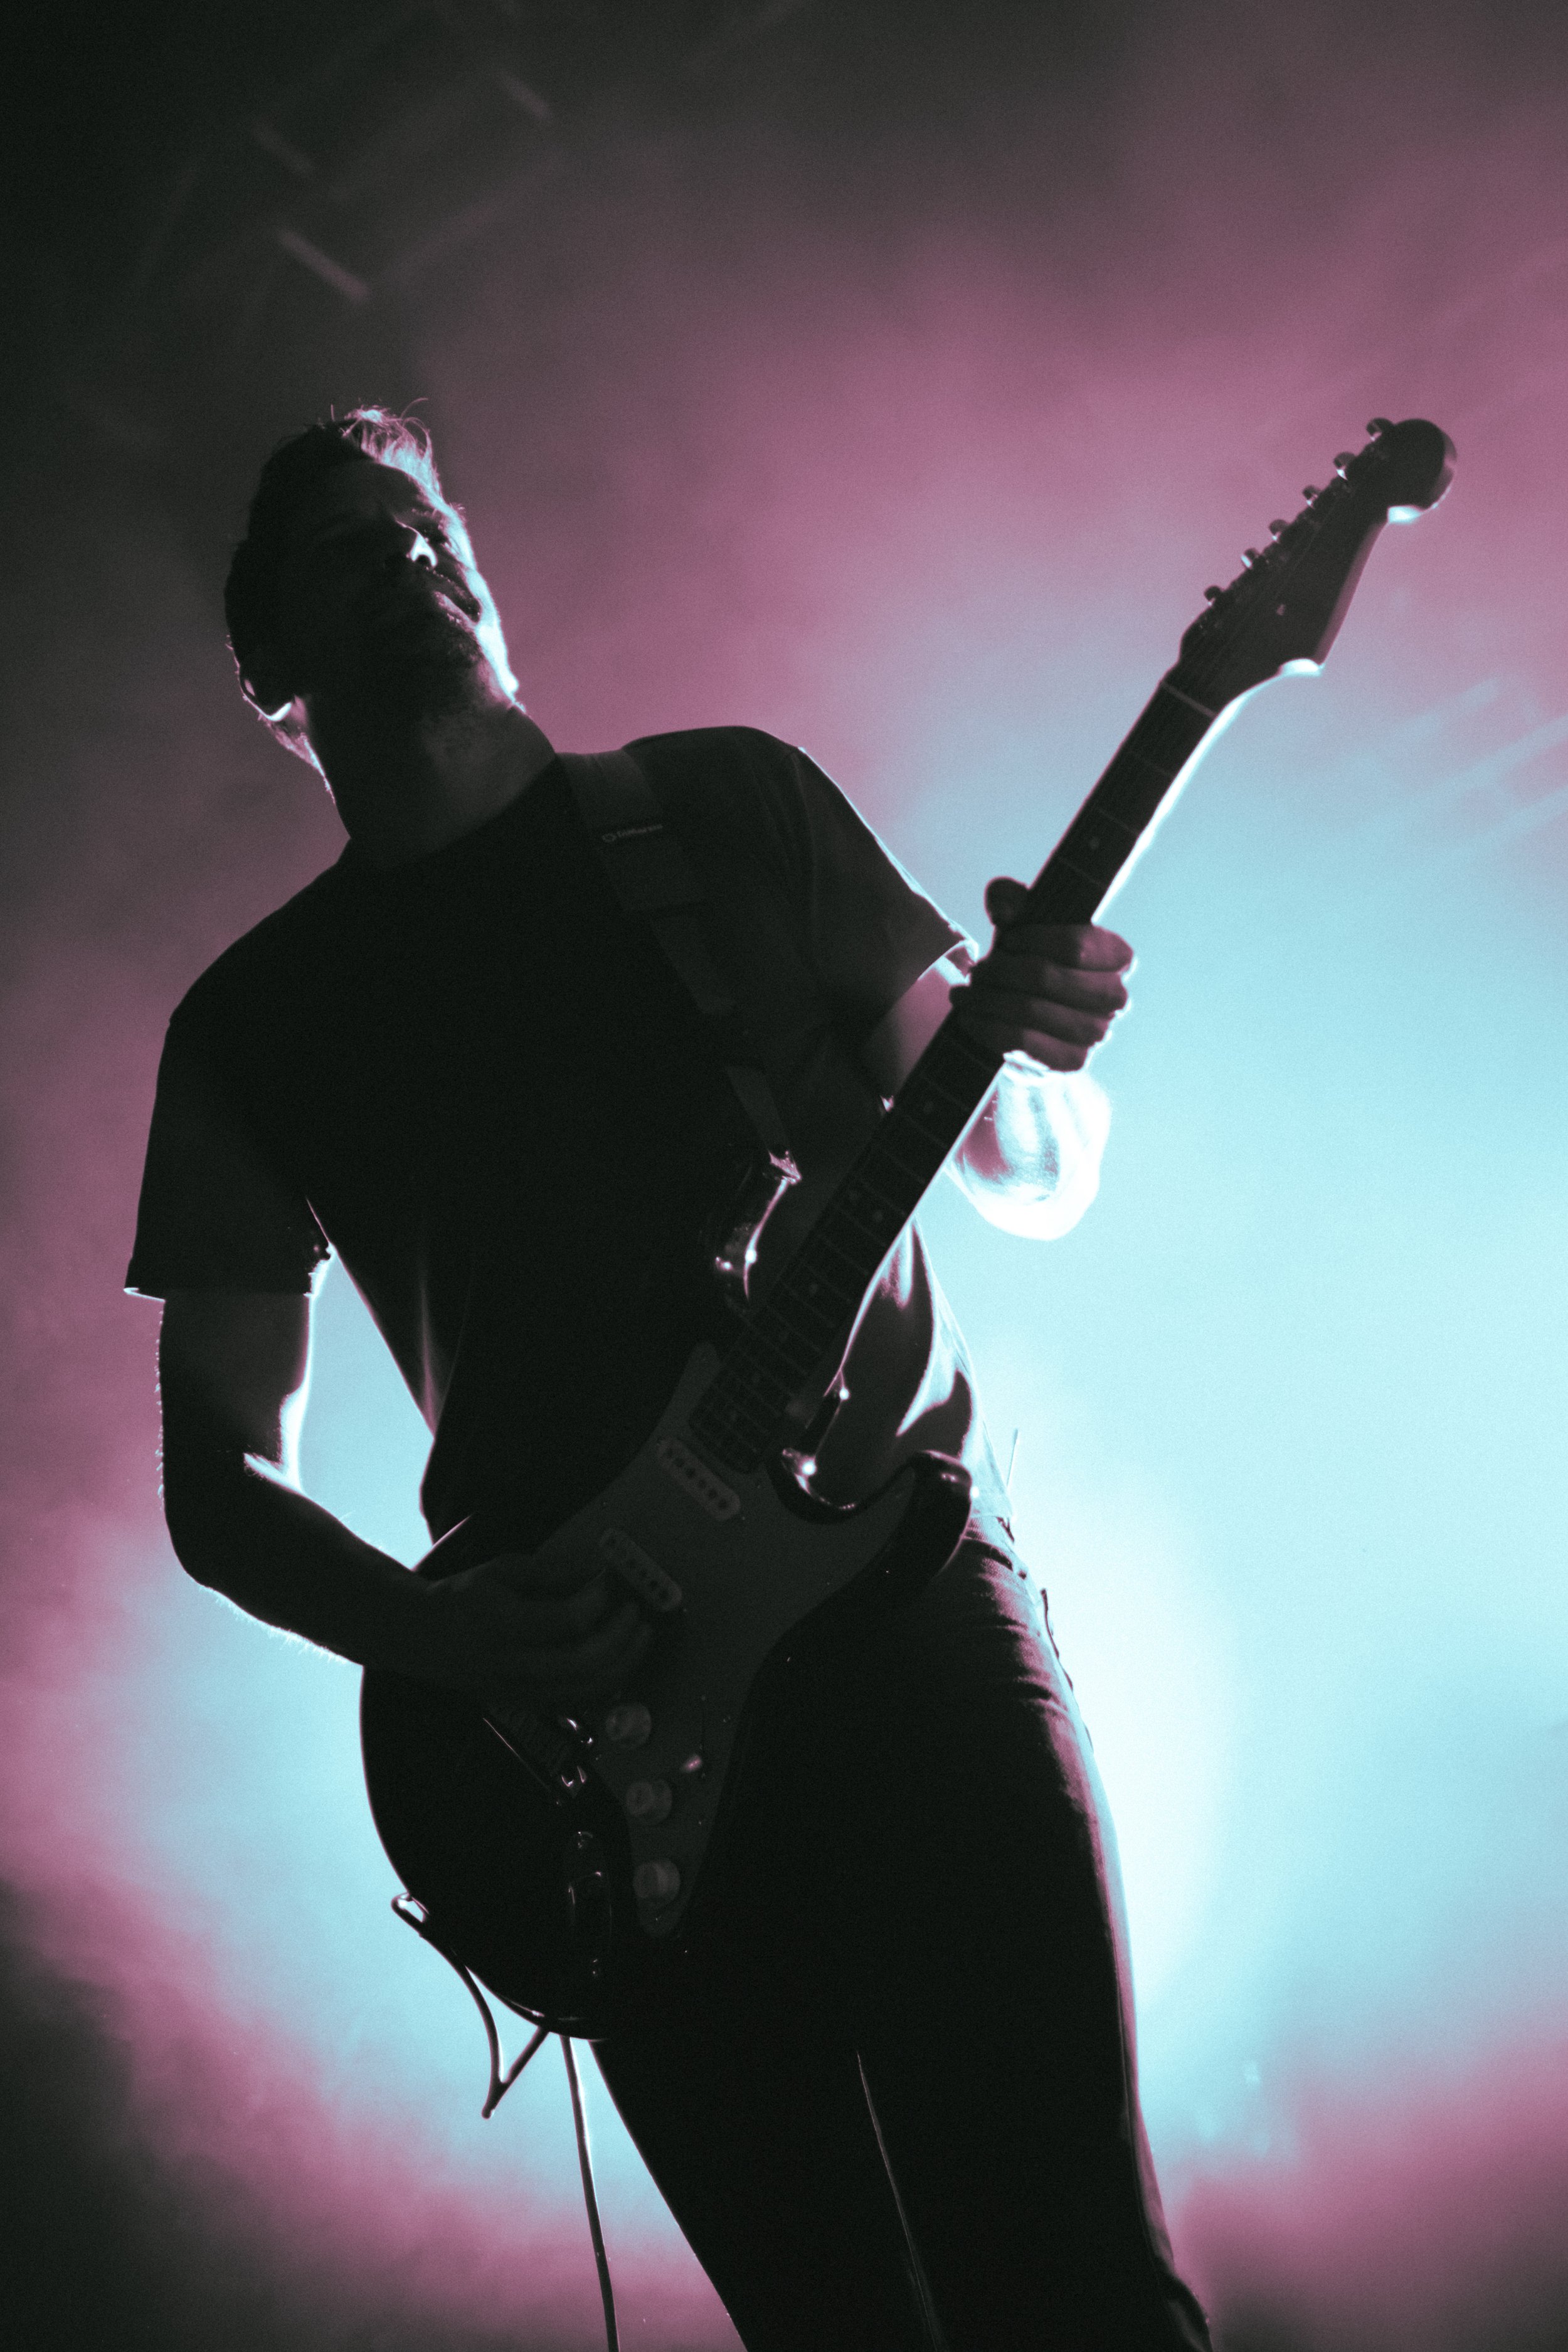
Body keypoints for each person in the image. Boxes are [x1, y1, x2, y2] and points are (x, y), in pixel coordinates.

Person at [128, 407, 1212, 2350]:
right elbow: (217, 1484)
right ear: (270, 667)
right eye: (352, 549)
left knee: (1073, 2291)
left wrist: (1043, 1053)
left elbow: (1019, 1171)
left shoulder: (721, 805)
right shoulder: (251, 1025)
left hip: (897, 1610)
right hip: (589, 1719)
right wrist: (431, 1637)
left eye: (432, 532)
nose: (413, 562)